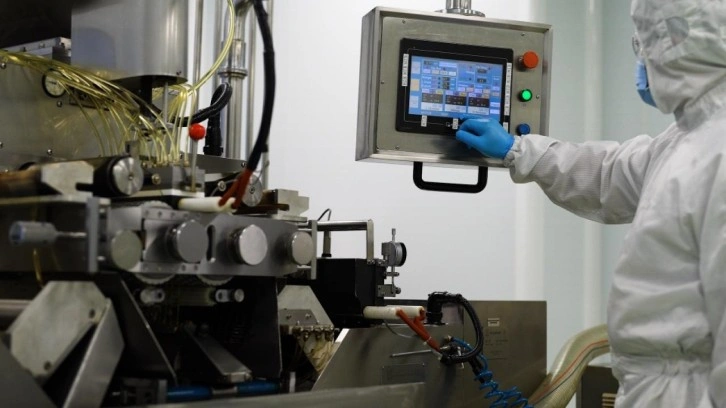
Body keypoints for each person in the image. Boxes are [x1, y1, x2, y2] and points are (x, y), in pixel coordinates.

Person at [455, 0, 726, 406]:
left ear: (678, 42)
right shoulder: (687, 139)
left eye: (644, 44)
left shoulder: (716, 151)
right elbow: (608, 174)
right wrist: (518, 149)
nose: (642, 61)